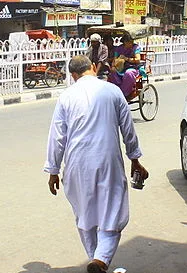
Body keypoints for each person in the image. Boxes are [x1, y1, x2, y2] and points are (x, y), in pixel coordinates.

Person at [44, 55, 148, 273]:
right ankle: (99, 260)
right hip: (107, 161)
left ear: (73, 76)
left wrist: (53, 171)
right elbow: (128, 130)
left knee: (85, 215)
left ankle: (96, 260)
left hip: (76, 165)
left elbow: (57, 137)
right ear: (93, 67)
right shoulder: (112, 91)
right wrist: (135, 159)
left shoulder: (66, 97)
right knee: (112, 211)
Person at [108, 35, 141, 100]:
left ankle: (124, 93)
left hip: (133, 67)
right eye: (128, 42)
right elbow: (115, 59)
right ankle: (117, 91)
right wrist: (113, 66)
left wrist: (126, 59)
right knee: (112, 72)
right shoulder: (119, 48)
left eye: (131, 42)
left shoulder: (136, 47)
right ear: (124, 42)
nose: (131, 43)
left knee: (128, 73)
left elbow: (138, 59)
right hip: (120, 68)